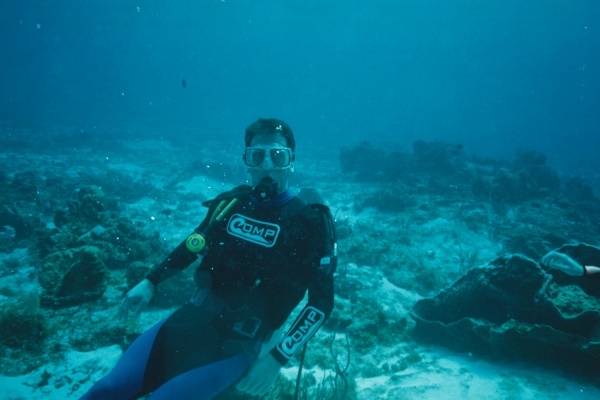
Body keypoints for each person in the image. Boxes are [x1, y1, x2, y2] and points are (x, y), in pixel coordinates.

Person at [80, 118, 337, 399]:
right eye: (256, 156)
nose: (267, 166)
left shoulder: (309, 223)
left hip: (239, 344)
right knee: (105, 390)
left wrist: (277, 358)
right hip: (190, 318)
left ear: (291, 162)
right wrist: (150, 281)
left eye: (277, 156)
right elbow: (194, 244)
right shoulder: (230, 204)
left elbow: (321, 303)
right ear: (247, 162)